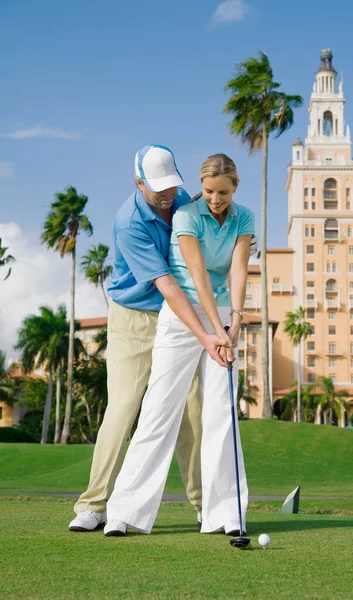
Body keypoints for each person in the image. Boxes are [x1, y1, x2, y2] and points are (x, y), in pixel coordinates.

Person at [69, 145, 233, 533]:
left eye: (171, 185)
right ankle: (93, 505)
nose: (166, 194)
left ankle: (204, 504)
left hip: (178, 318)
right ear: (138, 182)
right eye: (157, 187)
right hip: (136, 318)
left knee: (192, 413)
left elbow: (207, 244)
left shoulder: (183, 205)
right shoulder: (129, 221)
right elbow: (166, 282)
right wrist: (207, 336)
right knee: (125, 406)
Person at [104, 153, 253, 537]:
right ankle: (125, 512)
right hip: (183, 314)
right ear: (199, 188)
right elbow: (198, 275)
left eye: (222, 192)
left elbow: (238, 269)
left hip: (221, 316)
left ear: (235, 187)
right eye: (208, 191)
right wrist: (211, 333)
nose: (215, 199)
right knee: (158, 410)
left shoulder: (244, 218)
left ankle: (228, 514)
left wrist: (234, 320)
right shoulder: (187, 214)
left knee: (220, 413)